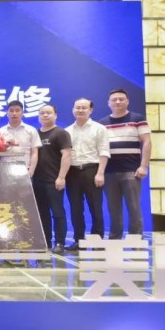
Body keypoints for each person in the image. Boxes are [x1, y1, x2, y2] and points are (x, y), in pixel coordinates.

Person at [98, 88, 151, 239]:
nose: (117, 102)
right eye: (114, 100)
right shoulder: (102, 123)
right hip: (109, 172)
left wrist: (143, 166)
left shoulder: (137, 119)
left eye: (121, 99)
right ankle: (115, 239)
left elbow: (147, 142)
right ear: (108, 103)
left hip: (131, 171)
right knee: (113, 208)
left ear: (127, 101)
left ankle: (136, 240)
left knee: (134, 207)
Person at [65, 98, 110, 251]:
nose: (80, 110)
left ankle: (97, 241)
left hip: (93, 170)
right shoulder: (67, 131)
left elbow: (104, 151)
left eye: (84, 108)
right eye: (77, 107)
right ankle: (79, 240)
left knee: (95, 207)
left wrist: (100, 173)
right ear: (73, 109)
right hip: (72, 172)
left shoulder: (99, 129)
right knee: (76, 208)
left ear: (90, 110)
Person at [32, 105, 72, 254]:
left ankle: (60, 242)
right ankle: (46, 241)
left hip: (54, 180)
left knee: (57, 212)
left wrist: (61, 177)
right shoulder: (35, 134)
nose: (45, 115)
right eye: (42, 113)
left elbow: (67, 155)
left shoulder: (61, 133)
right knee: (42, 213)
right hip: (37, 180)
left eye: (48, 113)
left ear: (55, 115)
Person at [0, 100, 41, 178]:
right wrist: (4, 147)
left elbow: (34, 153)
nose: (14, 113)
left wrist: (31, 171)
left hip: (24, 169)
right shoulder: (0, 131)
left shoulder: (31, 130)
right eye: (11, 111)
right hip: (5, 169)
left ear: (22, 113)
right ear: (7, 113)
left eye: (17, 110)